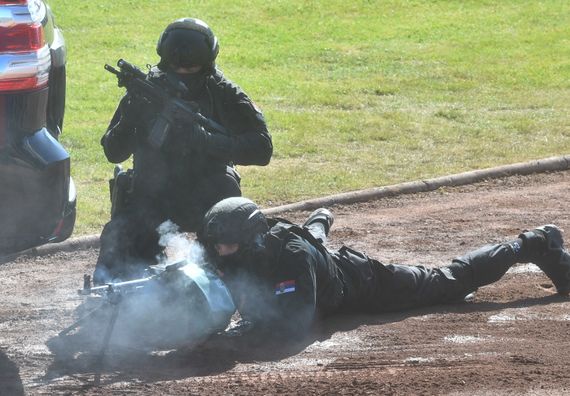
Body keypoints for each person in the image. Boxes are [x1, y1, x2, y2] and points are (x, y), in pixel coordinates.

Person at [198, 197, 570, 340]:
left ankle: (534, 242)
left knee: (450, 281)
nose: (219, 251)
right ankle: (318, 224)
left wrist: (244, 329)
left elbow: (298, 319)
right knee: (314, 242)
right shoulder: (237, 250)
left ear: (249, 240)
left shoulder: (291, 255)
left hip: (363, 282)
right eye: (214, 243)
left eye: (225, 244)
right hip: (321, 267)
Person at [94, 18, 272, 284]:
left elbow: (262, 149)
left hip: (208, 194)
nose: (183, 73)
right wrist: (128, 119)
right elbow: (113, 152)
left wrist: (205, 140)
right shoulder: (146, 92)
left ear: (207, 65)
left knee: (234, 258)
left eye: (191, 68)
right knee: (120, 254)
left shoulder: (223, 92)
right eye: (177, 67)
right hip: (152, 196)